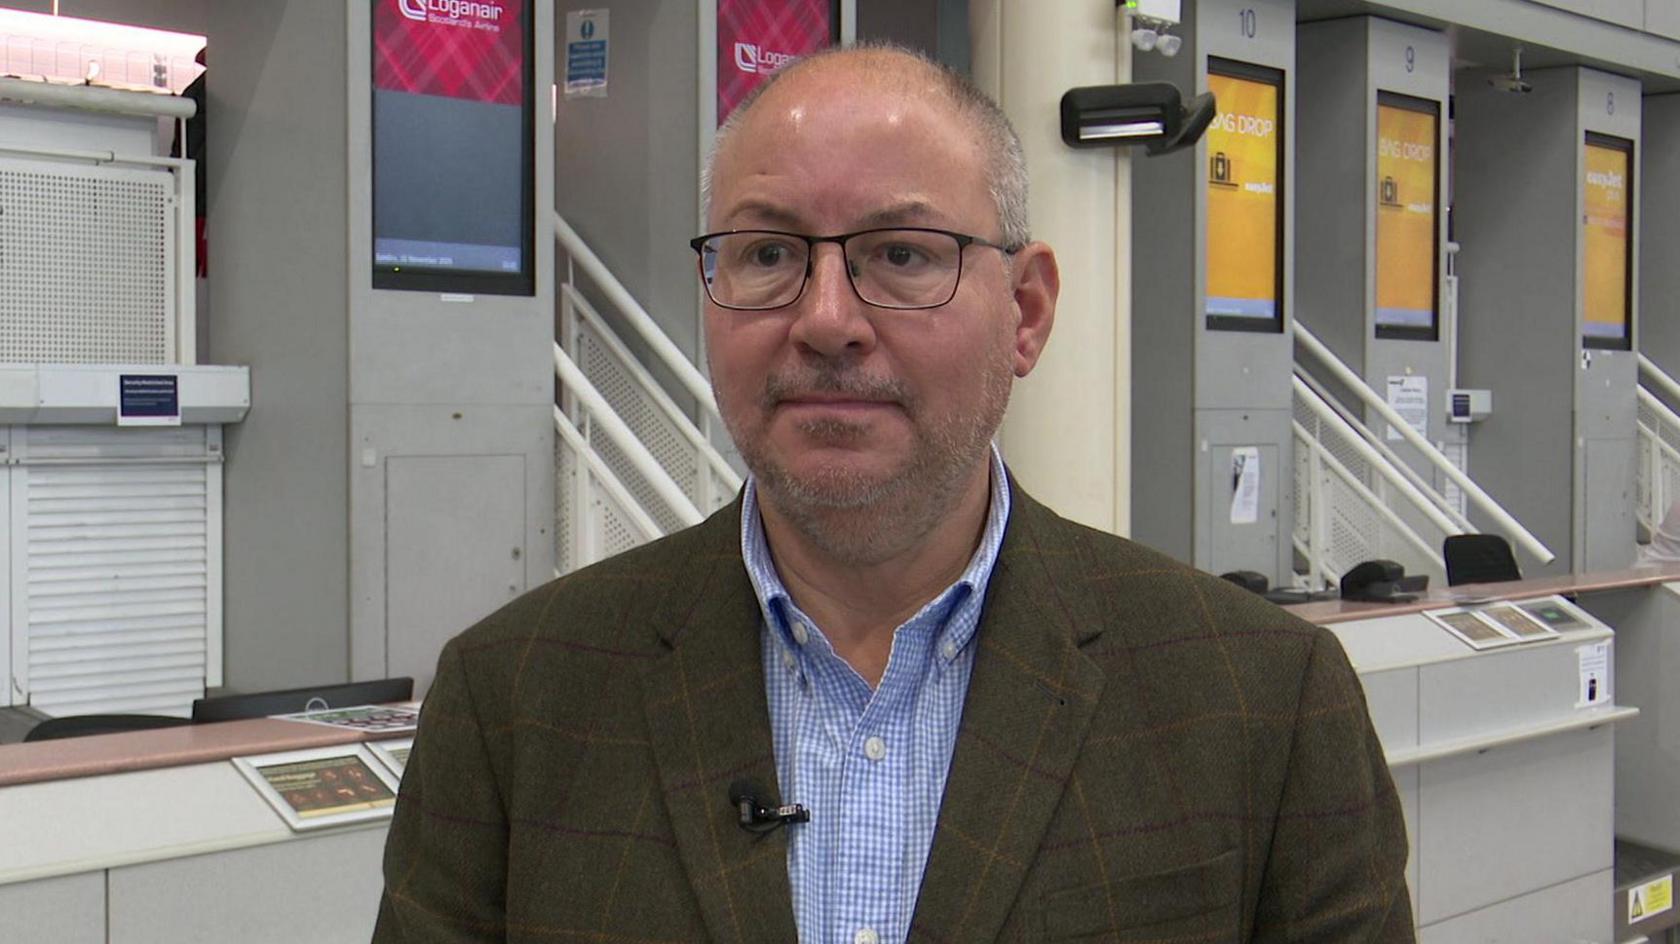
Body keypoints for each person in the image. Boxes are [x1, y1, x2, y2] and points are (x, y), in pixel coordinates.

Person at [373, 43, 1413, 943]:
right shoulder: (513, 703)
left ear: (1028, 311)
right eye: (769, 252)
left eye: (902, 254)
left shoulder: (1262, 703)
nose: (825, 318)